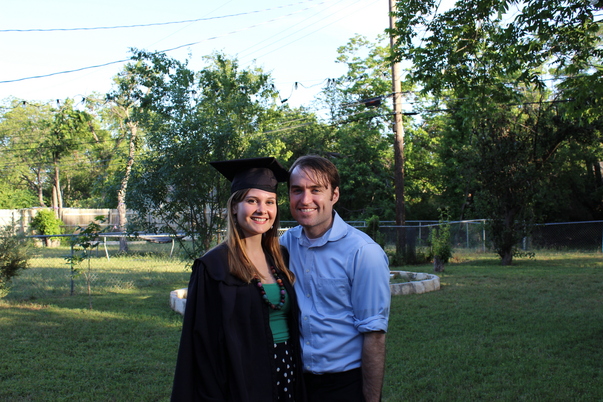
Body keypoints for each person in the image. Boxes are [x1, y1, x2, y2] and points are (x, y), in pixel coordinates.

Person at [171, 157, 306, 402]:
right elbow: (201, 343)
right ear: (235, 206)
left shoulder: (280, 258)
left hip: (287, 369)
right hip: (241, 378)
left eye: (270, 202)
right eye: (252, 201)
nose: (262, 209)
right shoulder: (213, 266)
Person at [279, 155, 391, 402]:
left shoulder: (363, 253)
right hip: (297, 382)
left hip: (344, 385)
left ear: (335, 195)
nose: (305, 199)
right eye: (297, 190)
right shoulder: (285, 245)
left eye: (316, 190)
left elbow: (374, 335)